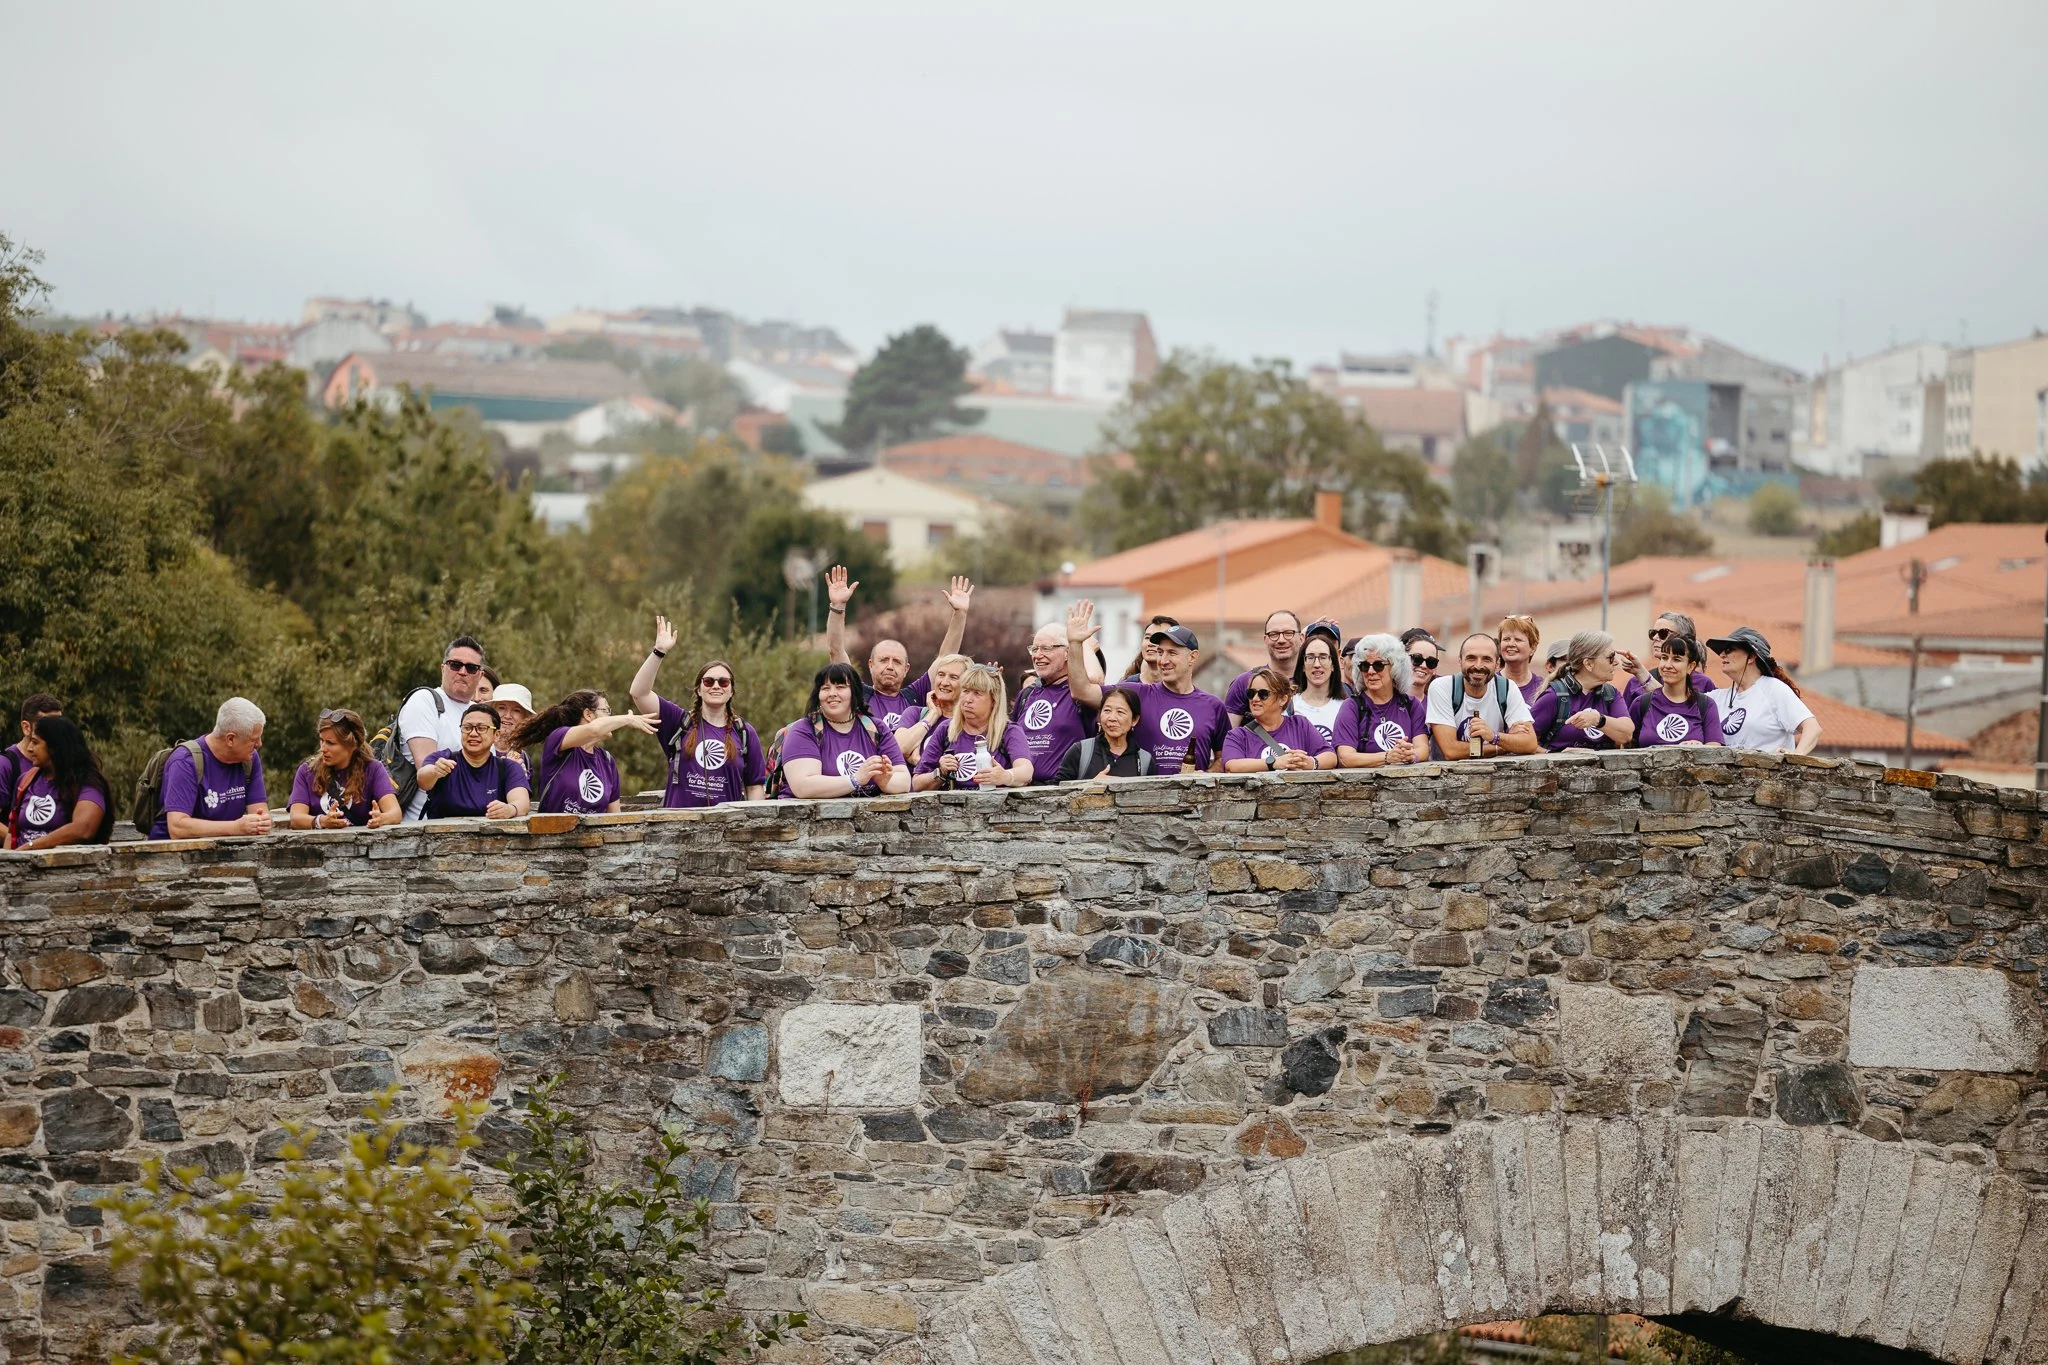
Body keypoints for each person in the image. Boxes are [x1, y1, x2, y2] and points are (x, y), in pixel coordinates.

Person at [1067, 609, 1227, 774]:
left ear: (1193, 657)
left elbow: (1224, 758)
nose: (1163, 661)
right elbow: (1082, 691)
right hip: (1142, 796)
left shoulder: (1213, 706)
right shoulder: (1136, 693)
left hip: (1190, 799)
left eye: (1172, 653)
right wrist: (1075, 644)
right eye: (1160, 652)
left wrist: (1207, 775)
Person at [629, 617, 768, 807]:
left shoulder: (744, 733)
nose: (716, 686)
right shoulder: (678, 722)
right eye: (709, 681)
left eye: (723, 682)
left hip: (726, 832)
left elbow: (754, 787)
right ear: (699, 689)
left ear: (731, 691)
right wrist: (658, 651)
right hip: (678, 829)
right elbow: (639, 693)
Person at [824, 566, 974, 737]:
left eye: (897, 662)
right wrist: (837, 606)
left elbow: (946, 658)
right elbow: (836, 651)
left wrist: (960, 613)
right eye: (883, 660)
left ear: (906, 669)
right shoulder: (859, 695)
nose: (889, 666)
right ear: (871, 665)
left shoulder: (915, 697)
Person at [776, 663, 912, 799]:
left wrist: (884, 781)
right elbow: (804, 787)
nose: (832, 694)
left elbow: (904, 781)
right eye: (825, 688)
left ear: (855, 692)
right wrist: (855, 779)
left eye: (840, 687)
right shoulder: (804, 730)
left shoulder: (876, 728)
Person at [514, 690, 656, 815]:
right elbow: (594, 729)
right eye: (606, 711)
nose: (611, 717)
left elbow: (614, 816)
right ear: (588, 714)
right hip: (553, 842)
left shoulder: (607, 761)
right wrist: (627, 719)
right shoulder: (558, 740)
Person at [396, 636, 489, 821]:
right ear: (443, 668)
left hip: (472, 824)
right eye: (455, 665)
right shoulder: (424, 700)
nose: (462, 671)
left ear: (480, 676)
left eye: (471, 668)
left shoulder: (479, 713)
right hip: (425, 827)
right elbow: (426, 770)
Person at [151, 697, 271, 840]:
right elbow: (178, 828)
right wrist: (234, 828)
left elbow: (259, 812)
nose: (259, 744)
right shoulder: (185, 762)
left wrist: (262, 823)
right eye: (254, 739)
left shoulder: (249, 759)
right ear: (230, 739)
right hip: (170, 857)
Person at [1012, 606, 1100, 783]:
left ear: (1068, 652)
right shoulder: (1026, 695)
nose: (1037, 655)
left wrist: (1082, 646)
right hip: (1021, 792)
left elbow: (1094, 679)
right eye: (1034, 649)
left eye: (1046, 648)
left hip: (1063, 793)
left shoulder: (1078, 693)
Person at [914, 664, 1034, 790]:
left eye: (977, 693)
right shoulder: (946, 729)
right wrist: (940, 773)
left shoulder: (1009, 731)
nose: (968, 699)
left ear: (994, 700)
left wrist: (1006, 776)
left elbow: (1026, 772)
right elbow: (917, 783)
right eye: (965, 691)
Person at [4, 715, 110, 850]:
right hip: (20, 868)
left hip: (64, 868)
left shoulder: (87, 783)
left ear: (54, 747)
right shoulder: (26, 780)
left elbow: (84, 829)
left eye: (35, 743)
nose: (30, 748)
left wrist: (30, 847)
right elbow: (12, 831)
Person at [1708, 626, 1821, 754]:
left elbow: (1812, 728)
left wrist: (1797, 755)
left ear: (1751, 657)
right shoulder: (1716, 698)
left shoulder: (1773, 689)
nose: (1722, 655)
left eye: (1729, 650)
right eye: (1722, 651)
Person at [1426, 635, 1539, 761]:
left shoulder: (1507, 688)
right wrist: (1503, 746)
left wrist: (1494, 736)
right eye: (1471, 658)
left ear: (1497, 664)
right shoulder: (1443, 687)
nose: (1478, 666)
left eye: (1486, 659)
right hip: (1448, 778)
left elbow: (1530, 743)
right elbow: (1451, 751)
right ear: (1460, 661)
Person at [287, 709, 402, 829]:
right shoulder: (307, 771)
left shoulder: (373, 769)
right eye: (321, 740)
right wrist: (321, 821)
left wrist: (380, 819)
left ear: (353, 744)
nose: (323, 748)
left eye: (330, 743)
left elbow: (395, 813)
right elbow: (296, 819)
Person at [417, 703, 532, 819]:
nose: (473, 733)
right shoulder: (443, 760)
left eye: (481, 728)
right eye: (467, 728)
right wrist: (435, 771)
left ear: (496, 735)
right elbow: (422, 780)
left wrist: (510, 809)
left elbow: (521, 803)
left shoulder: (508, 767)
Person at [1529, 630, 1638, 752]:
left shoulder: (1610, 694)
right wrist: (1555, 755)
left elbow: (1627, 735)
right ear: (1588, 664)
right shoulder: (1554, 696)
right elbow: (1526, 742)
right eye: (1610, 657)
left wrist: (1598, 719)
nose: (1616, 662)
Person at [1335, 635, 1432, 767]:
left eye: (1378, 665)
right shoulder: (1351, 706)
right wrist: (1388, 756)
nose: (1370, 671)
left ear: (1395, 668)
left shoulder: (1411, 704)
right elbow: (1346, 757)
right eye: (1364, 665)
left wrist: (1410, 756)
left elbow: (1423, 749)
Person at [1221, 668, 1335, 772]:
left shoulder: (1300, 725)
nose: (1255, 699)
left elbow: (1330, 756)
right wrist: (1274, 762)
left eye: (1263, 694)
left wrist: (1309, 762)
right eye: (1251, 693)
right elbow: (1231, 765)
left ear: (1283, 699)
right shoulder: (1237, 735)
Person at [1631, 635, 1724, 748]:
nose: (1668, 665)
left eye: (1677, 659)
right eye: (1664, 658)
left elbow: (1715, 748)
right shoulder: (1641, 703)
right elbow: (1626, 747)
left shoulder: (1706, 705)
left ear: (1690, 666)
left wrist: (1700, 748)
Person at [1056, 686, 1155, 780]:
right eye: (1107, 710)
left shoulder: (1144, 761)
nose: (1112, 718)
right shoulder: (1080, 751)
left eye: (1120, 712)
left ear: (1134, 720)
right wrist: (1091, 786)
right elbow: (1057, 793)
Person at [1226, 610, 1305, 726]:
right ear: (1265, 639)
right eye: (1273, 634)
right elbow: (1227, 737)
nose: (1281, 640)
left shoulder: (1315, 682)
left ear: (1301, 638)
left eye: (1289, 633)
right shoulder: (1244, 682)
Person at [0, 694, 63, 830]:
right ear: (26, 728)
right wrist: (19, 843)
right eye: (49, 725)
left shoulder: (59, 762)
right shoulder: (6, 764)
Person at [892, 653, 970, 761]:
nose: (944, 682)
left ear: (967, 684)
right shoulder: (915, 713)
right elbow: (898, 749)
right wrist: (932, 715)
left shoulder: (970, 721)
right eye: (941, 674)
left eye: (953, 677)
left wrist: (919, 761)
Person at [1289, 632, 1349, 750]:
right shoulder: (1288, 706)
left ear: (1333, 665)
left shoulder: (1347, 707)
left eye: (1323, 657)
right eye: (1310, 657)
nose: (1317, 664)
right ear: (1302, 665)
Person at [488, 682, 537, 777]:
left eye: (516, 710)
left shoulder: (524, 758)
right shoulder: (478, 746)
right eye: (502, 708)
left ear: (525, 718)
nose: (507, 716)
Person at [1498, 615, 1545, 706]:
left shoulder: (1542, 688)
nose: (1511, 644)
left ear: (1533, 647)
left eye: (1518, 640)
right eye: (1506, 639)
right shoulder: (1489, 685)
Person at [1121, 614, 1183, 682]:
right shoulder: (1127, 688)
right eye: (1147, 637)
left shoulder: (1183, 689)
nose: (1151, 643)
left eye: (1159, 639)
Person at [1401, 629, 1442, 704]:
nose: (1423, 666)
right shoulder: (1384, 700)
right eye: (1417, 658)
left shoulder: (1439, 705)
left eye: (1431, 662)